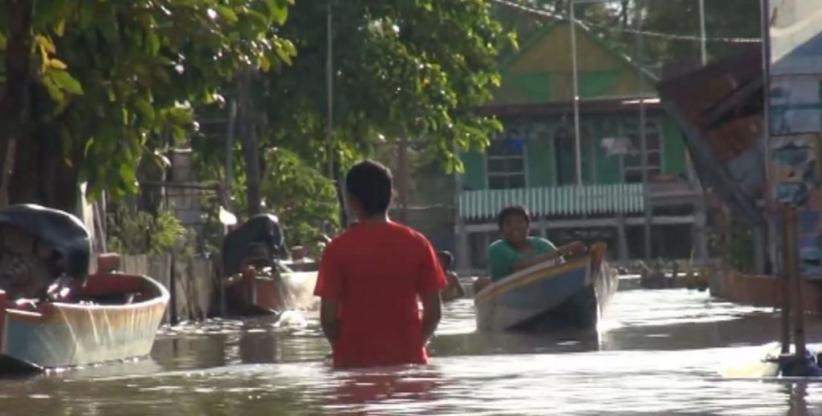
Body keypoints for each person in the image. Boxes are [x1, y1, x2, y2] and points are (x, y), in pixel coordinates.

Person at [313, 160, 447, 369]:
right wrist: (413, 345)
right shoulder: (418, 243)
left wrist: (344, 349)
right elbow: (434, 313)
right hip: (409, 363)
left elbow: (328, 319)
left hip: (354, 363)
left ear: (352, 201)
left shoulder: (337, 250)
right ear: (390, 197)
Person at [474, 206, 587, 293]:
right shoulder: (497, 249)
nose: (515, 227)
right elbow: (523, 264)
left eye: (519, 222)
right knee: (480, 283)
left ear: (528, 227)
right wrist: (566, 249)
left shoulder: (541, 244)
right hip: (509, 294)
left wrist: (577, 256)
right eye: (509, 223)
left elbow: (559, 264)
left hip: (546, 290)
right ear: (501, 230)